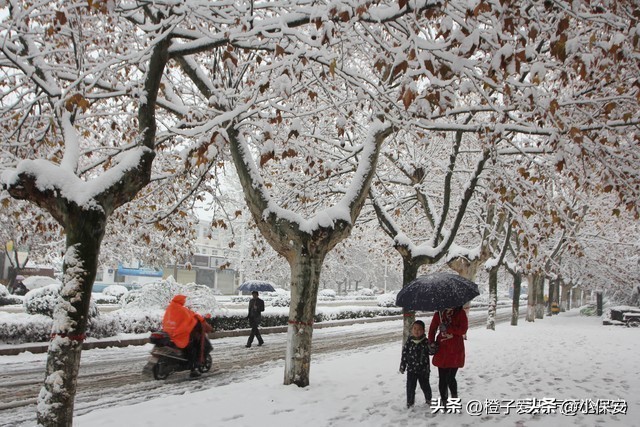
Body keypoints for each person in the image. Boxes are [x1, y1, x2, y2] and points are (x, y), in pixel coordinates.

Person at [428, 306, 468, 407]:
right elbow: (432, 329)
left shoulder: (460, 313)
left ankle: (454, 397)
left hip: (455, 350)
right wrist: (431, 342)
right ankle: (444, 400)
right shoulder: (439, 314)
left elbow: (463, 330)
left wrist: (449, 328)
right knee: (442, 378)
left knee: (450, 377)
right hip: (442, 349)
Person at [162, 294, 208, 378]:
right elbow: (191, 316)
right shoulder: (182, 309)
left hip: (169, 333)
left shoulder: (170, 308)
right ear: (180, 301)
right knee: (193, 349)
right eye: (183, 300)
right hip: (179, 334)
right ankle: (193, 369)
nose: (184, 302)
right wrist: (200, 319)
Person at [400, 320, 432, 408]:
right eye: (414, 329)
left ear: (423, 331)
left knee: (425, 386)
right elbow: (404, 354)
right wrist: (403, 365)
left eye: (419, 329)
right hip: (411, 369)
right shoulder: (409, 341)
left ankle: (428, 399)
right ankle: (410, 402)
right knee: (410, 387)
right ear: (411, 330)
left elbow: (431, 352)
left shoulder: (426, 342)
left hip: (423, 370)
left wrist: (433, 347)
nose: (416, 331)